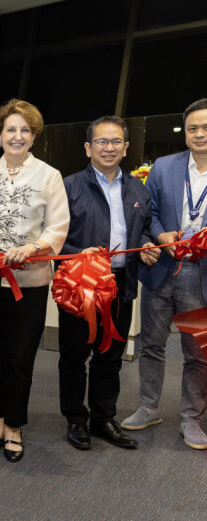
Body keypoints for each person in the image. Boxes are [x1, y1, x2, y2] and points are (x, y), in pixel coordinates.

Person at [0, 98, 69, 462]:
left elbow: (57, 227)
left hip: (30, 281)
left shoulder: (49, 176)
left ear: (34, 136)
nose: (17, 136)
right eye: (11, 130)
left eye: (25, 130)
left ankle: (15, 425)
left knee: (20, 356)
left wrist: (35, 246)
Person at [59, 115, 159, 451]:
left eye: (116, 141)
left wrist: (145, 244)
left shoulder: (137, 188)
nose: (109, 147)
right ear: (88, 147)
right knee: (74, 355)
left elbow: (143, 228)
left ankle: (103, 419)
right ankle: (76, 420)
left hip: (121, 283)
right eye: (101, 141)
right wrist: (77, 253)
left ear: (126, 147)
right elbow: (53, 239)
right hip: (82, 284)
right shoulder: (69, 186)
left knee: (110, 355)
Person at [122, 98, 207, 449]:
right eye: (193, 128)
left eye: (205, 127)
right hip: (162, 269)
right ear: (184, 132)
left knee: (197, 352)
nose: (200, 133)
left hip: (199, 276)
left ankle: (192, 417)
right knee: (152, 343)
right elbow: (150, 212)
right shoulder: (164, 166)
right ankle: (148, 406)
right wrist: (159, 236)